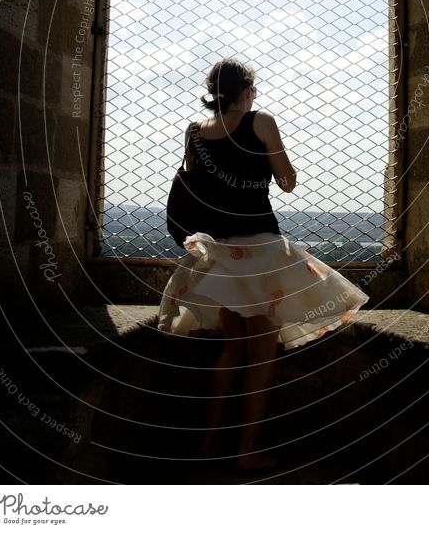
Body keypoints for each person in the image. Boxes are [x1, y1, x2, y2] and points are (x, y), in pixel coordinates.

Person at [157, 58, 368, 471]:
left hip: (218, 253)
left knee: (232, 352)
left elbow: (197, 183)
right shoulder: (261, 121)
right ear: (248, 89)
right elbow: (287, 181)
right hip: (260, 249)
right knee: (262, 355)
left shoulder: (195, 132)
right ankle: (246, 450)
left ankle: (209, 442)